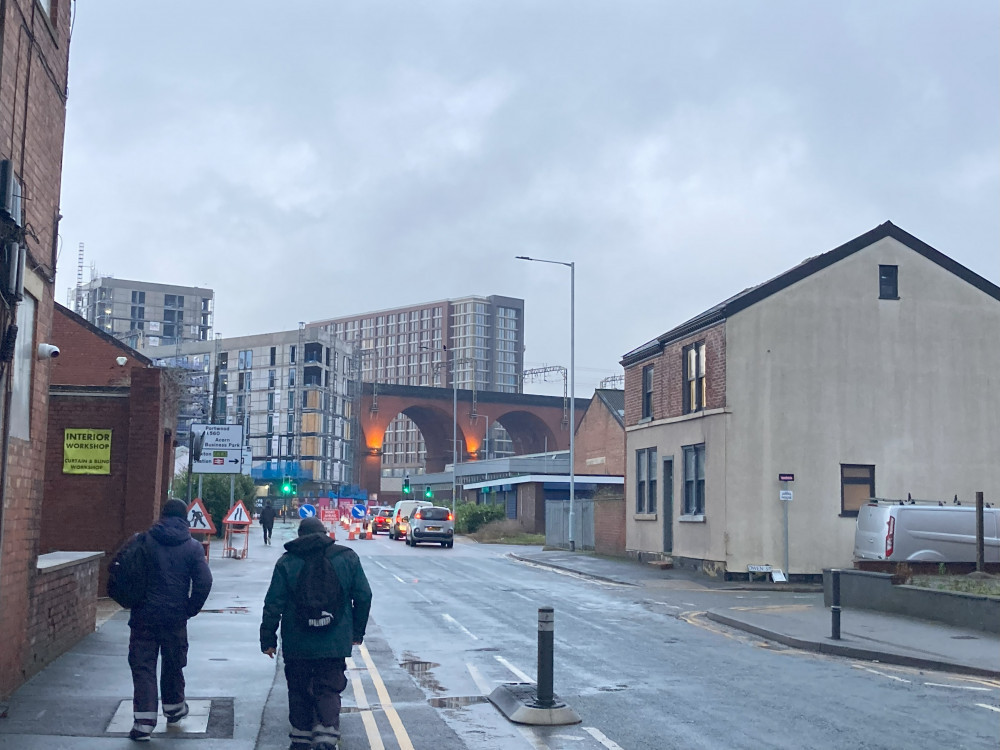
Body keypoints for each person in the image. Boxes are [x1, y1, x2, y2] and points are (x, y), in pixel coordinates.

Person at [260, 516, 372, 750]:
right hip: (334, 641)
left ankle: (300, 739)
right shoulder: (347, 558)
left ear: (300, 536)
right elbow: (363, 596)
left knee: (299, 689)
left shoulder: (287, 562)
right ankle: (326, 736)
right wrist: (356, 632)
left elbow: (273, 604)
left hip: (297, 641)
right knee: (329, 687)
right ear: (324, 533)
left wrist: (268, 639)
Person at [127, 499, 213, 742]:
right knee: (174, 662)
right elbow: (205, 582)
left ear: (162, 516)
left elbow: (124, 570)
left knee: (143, 666)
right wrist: (190, 608)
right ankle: (174, 709)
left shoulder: (144, 540)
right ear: (185, 518)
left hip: (143, 615)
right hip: (175, 616)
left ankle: (143, 722)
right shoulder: (193, 547)